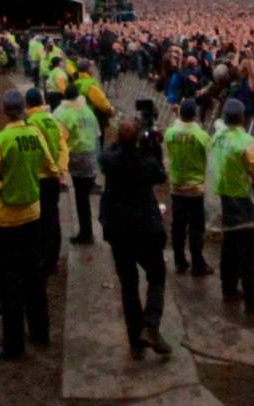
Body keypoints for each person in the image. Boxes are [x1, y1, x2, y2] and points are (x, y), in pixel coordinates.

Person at [0, 88, 55, 359]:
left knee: (9, 282)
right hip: (32, 213)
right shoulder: (35, 134)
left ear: (3, 113)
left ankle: (13, 344)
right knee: (34, 275)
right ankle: (40, 330)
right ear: (23, 110)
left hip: (6, 219)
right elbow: (50, 165)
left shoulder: (0, 141)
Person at [100, 115, 172, 359]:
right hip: (145, 228)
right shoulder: (146, 162)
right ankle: (150, 324)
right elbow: (161, 175)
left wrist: (125, 140)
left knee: (128, 284)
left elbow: (108, 152)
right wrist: (153, 147)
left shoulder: (109, 160)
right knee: (157, 275)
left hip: (118, 228)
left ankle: (136, 342)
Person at [209, 97, 254, 316]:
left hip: (225, 195)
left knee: (229, 246)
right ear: (242, 117)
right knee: (250, 254)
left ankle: (229, 288)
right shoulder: (246, 142)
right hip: (244, 200)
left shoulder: (218, 137)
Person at [164, 98, 212, 276]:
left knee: (178, 226)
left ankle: (179, 261)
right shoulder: (202, 136)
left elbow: (168, 154)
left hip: (177, 186)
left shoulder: (170, 133)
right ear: (195, 114)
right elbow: (209, 160)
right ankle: (198, 263)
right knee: (196, 228)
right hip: (195, 189)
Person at [27, 87, 68, 273]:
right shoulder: (52, 121)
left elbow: (41, 149)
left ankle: (43, 260)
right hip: (54, 178)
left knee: (41, 220)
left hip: (41, 177)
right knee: (53, 217)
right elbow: (63, 146)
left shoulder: (31, 122)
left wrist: (52, 168)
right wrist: (61, 170)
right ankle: (54, 259)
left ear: (27, 104)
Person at [56, 85, 102, 244]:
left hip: (77, 157)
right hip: (91, 155)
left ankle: (86, 233)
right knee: (84, 196)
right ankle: (86, 231)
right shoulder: (87, 111)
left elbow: (60, 139)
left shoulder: (63, 113)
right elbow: (97, 133)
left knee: (81, 197)